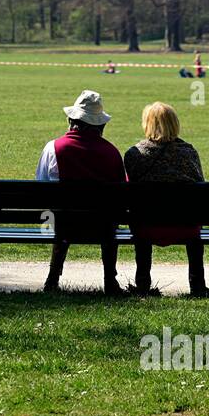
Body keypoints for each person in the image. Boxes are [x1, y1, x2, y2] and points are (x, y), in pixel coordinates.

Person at [36, 90, 127, 296]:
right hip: (103, 226)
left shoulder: (54, 148)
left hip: (62, 224)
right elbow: (121, 194)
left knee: (61, 214)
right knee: (109, 217)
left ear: (72, 120)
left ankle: (52, 278)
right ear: (100, 125)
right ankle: (110, 281)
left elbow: (40, 187)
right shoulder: (112, 152)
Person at [124, 102, 208, 296]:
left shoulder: (134, 154)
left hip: (146, 226)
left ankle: (143, 284)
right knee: (193, 230)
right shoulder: (189, 153)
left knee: (141, 217)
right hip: (186, 226)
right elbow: (201, 189)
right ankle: (197, 286)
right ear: (175, 124)